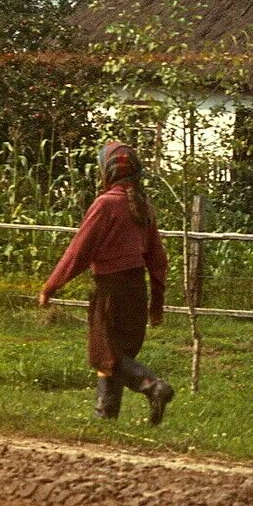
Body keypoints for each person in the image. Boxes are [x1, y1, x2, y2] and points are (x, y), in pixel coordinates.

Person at [39, 141, 175, 424]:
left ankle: (153, 387)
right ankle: (106, 420)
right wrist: (156, 304)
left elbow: (79, 251)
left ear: (107, 171)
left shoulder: (105, 204)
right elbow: (158, 259)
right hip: (137, 289)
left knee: (104, 354)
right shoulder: (142, 206)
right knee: (115, 355)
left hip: (111, 289)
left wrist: (51, 285)